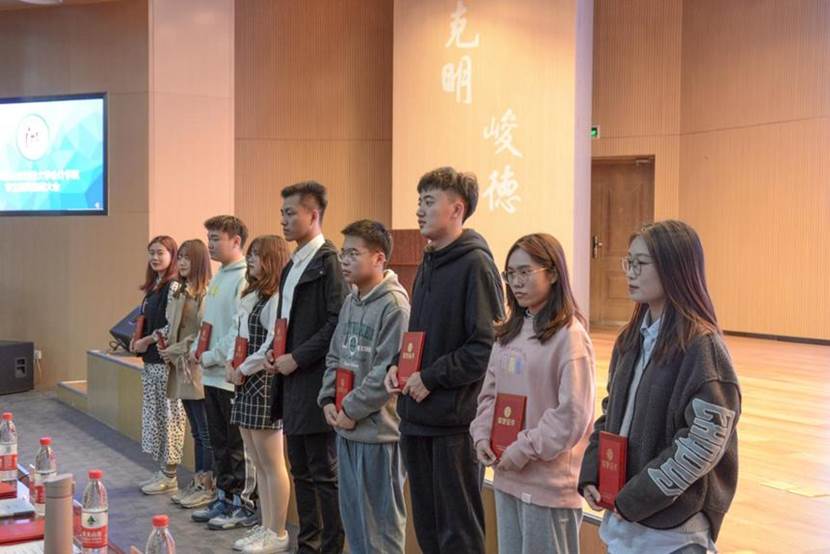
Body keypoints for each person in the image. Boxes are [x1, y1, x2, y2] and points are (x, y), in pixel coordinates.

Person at [579, 220, 741, 554]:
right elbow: (612, 412)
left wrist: (639, 496)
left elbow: (703, 444)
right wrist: (594, 471)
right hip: (625, 520)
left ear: (673, 268)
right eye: (629, 262)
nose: (631, 272)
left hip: (674, 533)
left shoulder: (702, 346)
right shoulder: (630, 339)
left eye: (641, 263)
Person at [383, 167, 504, 553]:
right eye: (419, 201)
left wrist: (431, 378)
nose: (419, 210)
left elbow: (484, 347)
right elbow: (421, 337)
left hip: (454, 424)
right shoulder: (429, 262)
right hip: (416, 417)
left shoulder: (476, 264)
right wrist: (397, 367)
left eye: (429, 201)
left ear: (457, 208)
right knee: (429, 529)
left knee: (458, 533)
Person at [470, 233, 595, 554]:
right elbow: (489, 395)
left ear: (552, 274)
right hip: (507, 475)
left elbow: (572, 415)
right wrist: (482, 436)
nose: (516, 282)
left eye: (525, 272)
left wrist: (524, 448)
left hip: (548, 486)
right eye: (510, 274)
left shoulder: (569, 335)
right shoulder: (508, 332)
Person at [264, 181, 348, 553]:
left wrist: (297, 356)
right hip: (291, 381)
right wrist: (276, 352)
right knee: (300, 469)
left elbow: (336, 323)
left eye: (290, 213)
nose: (283, 220)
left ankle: (329, 546)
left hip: (316, 380)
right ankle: (308, 544)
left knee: (323, 473)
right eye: (281, 213)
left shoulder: (329, 262)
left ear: (313, 215)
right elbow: (285, 320)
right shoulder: (292, 264)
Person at [318, 220, 410, 554]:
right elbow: (335, 355)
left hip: (378, 434)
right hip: (345, 427)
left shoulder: (394, 306)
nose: (344, 260)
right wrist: (328, 399)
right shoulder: (351, 300)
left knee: (381, 529)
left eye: (353, 254)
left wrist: (350, 410)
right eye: (343, 253)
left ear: (379, 258)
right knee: (355, 523)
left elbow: (386, 372)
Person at [188, 216, 258, 531]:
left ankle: (243, 505)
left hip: (228, 376)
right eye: (209, 238)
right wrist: (196, 348)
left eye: (216, 238)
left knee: (235, 446)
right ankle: (224, 497)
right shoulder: (219, 277)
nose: (211, 244)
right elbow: (209, 324)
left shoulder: (243, 278)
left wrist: (212, 356)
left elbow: (237, 330)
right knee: (218, 443)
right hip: (211, 375)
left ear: (236, 241)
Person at [227, 235, 292, 553]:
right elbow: (240, 338)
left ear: (272, 260)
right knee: (256, 459)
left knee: (271, 462)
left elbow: (270, 344)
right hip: (245, 381)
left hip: (263, 381)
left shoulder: (278, 297)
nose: (250, 260)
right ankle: (266, 525)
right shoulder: (252, 295)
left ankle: (277, 532)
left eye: (256, 255)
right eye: (250, 254)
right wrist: (232, 364)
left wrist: (243, 368)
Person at [157, 239, 216, 509]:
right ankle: (197, 481)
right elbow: (174, 326)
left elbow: (204, 332)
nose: (181, 262)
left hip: (196, 368)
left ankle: (206, 485)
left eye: (187, 258)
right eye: (179, 257)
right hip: (181, 367)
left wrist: (176, 349)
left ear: (199, 261)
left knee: (205, 432)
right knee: (197, 431)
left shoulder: (205, 293)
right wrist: (165, 345)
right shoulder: (181, 291)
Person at [131, 235, 187, 495]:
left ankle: (171, 474)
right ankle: (163, 470)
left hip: (166, 363)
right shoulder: (154, 286)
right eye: (151, 252)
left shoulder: (173, 286)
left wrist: (147, 340)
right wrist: (136, 340)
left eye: (160, 253)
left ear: (172, 256)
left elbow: (172, 325)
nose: (154, 257)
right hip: (151, 362)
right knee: (157, 418)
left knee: (170, 417)